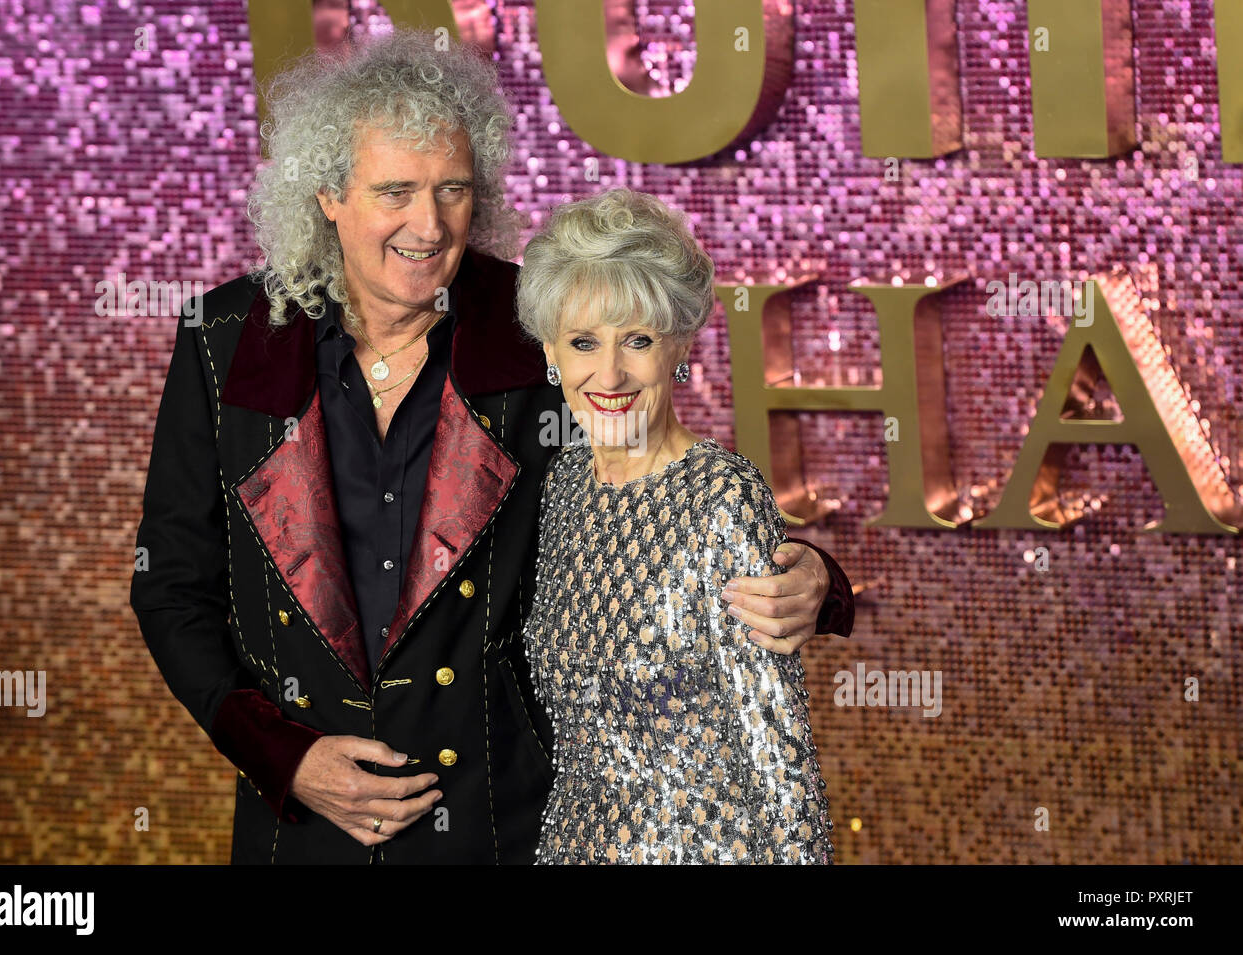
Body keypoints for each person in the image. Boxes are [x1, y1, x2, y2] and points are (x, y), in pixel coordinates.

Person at [129, 29, 853, 864]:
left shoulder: (533, 325)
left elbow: (660, 484)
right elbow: (172, 587)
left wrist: (812, 578)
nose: (428, 225)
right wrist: (282, 757)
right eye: (395, 190)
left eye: (453, 190)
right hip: (301, 832)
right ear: (327, 193)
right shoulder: (227, 340)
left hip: (495, 821)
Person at [518, 189, 834, 863]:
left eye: (637, 339)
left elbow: (777, 751)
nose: (609, 373)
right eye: (583, 342)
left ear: (680, 346)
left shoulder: (722, 496)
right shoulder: (562, 486)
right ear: (552, 351)